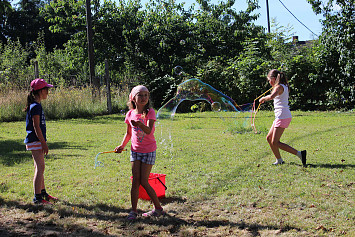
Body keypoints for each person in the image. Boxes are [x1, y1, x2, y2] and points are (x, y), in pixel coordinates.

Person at [115, 85, 165, 220]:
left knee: (144, 181)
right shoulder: (130, 113)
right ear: (133, 98)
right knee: (135, 181)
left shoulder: (150, 112)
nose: (143, 98)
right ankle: (133, 211)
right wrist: (122, 145)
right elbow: (128, 133)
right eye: (140, 95)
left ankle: (158, 208)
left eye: (146, 95)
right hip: (135, 151)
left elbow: (148, 130)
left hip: (149, 151)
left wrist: (140, 124)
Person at [259, 69, 307, 166]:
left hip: (283, 116)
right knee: (269, 138)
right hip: (280, 116)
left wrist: (263, 98)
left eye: (269, 80)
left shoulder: (279, 87)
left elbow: (272, 96)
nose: (269, 82)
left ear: (273, 79)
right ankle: (279, 160)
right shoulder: (281, 86)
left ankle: (300, 154)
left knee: (275, 142)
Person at [24, 78, 58, 205]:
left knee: (39, 167)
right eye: (47, 90)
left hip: (35, 140)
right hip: (35, 140)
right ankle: (37, 198)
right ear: (40, 91)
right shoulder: (35, 106)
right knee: (40, 167)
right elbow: (36, 126)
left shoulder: (36, 105)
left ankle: (43, 193)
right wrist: (43, 143)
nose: (48, 92)